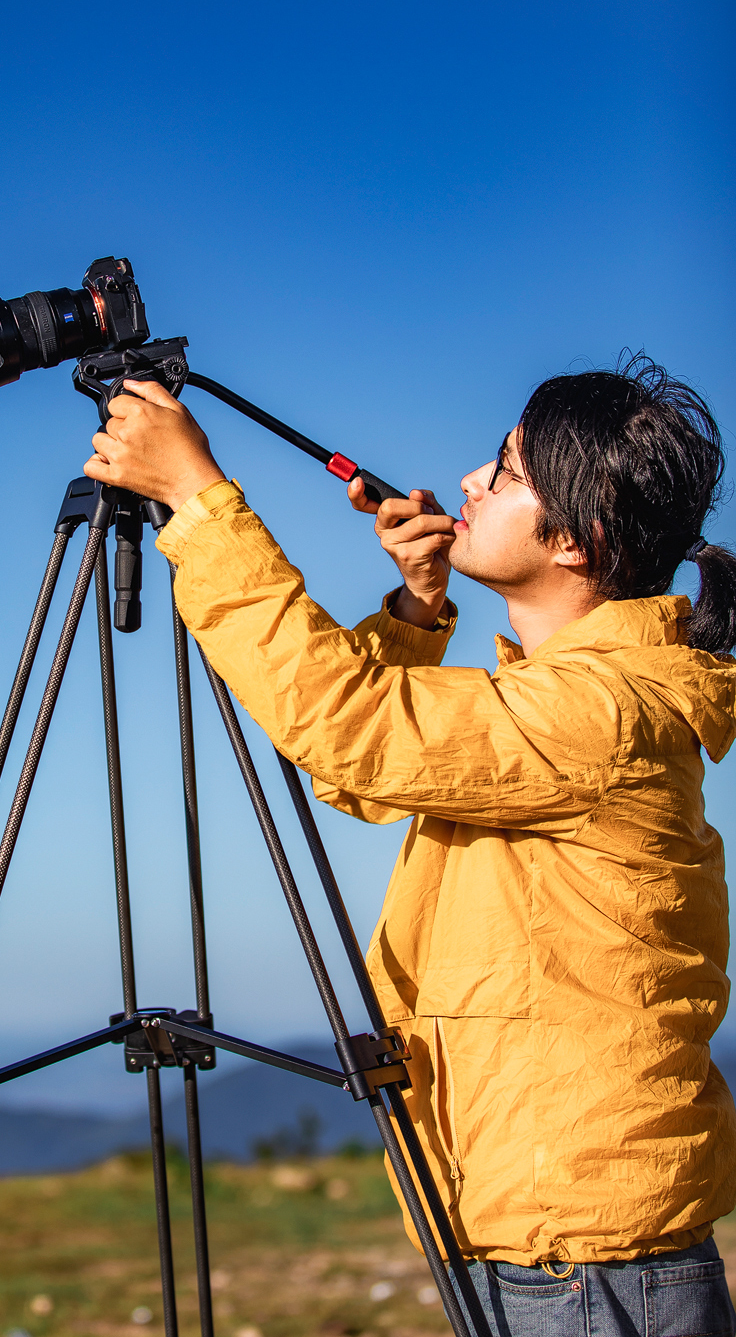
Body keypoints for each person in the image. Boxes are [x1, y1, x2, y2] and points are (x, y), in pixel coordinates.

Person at [83, 355, 736, 1337]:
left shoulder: (600, 711)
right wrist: (420, 609)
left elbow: (351, 729)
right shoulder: (572, 701)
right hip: (553, 1239)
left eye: (507, 474)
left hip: (588, 1266)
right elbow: (365, 776)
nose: (471, 482)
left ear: (577, 539)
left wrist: (197, 497)